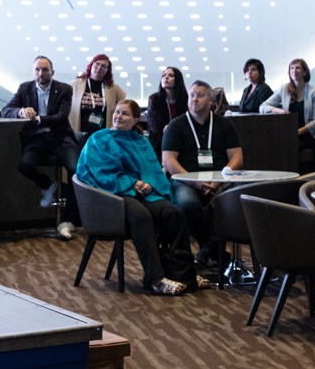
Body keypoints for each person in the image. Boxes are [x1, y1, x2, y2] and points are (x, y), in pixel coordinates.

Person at [77, 99, 198, 296]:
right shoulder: (99, 139)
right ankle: (155, 279)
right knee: (141, 216)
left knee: (173, 212)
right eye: (116, 112)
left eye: (124, 114)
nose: (118, 116)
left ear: (135, 120)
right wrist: (131, 183)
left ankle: (184, 275)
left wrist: (150, 187)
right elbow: (99, 173)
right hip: (111, 195)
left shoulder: (141, 142)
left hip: (142, 193)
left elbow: (153, 172)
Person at [161, 81, 244, 255]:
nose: (194, 99)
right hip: (185, 179)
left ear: (211, 101)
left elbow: (237, 157)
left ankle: (207, 253)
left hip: (220, 179)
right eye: (192, 95)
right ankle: (214, 252)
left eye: (200, 95)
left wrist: (219, 179)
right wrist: (194, 183)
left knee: (225, 202)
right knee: (187, 204)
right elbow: (168, 161)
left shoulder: (225, 124)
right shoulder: (176, 125)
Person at [0, 55, 77, 210]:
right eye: (37, 69)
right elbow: (5, 110)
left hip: (61, 137)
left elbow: (62, 116)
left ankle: (70, 217)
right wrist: (21, 112)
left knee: (76, 171)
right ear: (33, 72)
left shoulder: (64, 89)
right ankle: (48, 184)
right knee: (24, 165)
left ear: (52, 72)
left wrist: (38, 119)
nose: (41, 73)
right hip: (37, 139)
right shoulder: (25, 88)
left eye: (45, 70)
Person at [261, 58, 315, 173]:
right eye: (291, 68)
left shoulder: (313, 92)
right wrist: (279, 111)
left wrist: (298, 132)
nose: (294, 70)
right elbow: (263, 106)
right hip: (291, 134)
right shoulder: (284, 89)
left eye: (297, 68)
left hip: (311, 134)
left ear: (305, 72)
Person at [72, 54, 125, 141]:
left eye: (104, 66)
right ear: (91, 65)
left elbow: (124, 105)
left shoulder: (113, 88)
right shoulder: (75, 84)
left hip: (103, 134)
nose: (99, 68)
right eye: (97, 64)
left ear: (107, 70)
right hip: (79, 132)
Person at [145, 65, 187, 156]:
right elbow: (153, 125)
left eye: (171, 75)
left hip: (182, 142)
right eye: (163, 75)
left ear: (178, 79)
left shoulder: (186, 99)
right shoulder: (154, 99)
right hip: (160, 143)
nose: (166, 77)